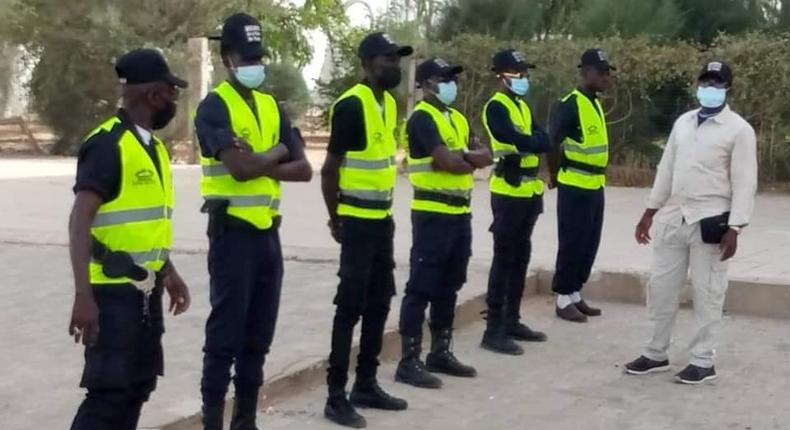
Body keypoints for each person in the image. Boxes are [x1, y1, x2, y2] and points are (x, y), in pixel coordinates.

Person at [194, 13, 312, 430]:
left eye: (259, 57)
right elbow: (239, 170)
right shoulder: (213, 108)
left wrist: (263, 158)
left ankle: (245, 420)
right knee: (224, 338)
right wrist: (280, 150)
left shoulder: (271, 105)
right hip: (231, 236)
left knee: (258, 338)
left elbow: (305, 170)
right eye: (247, 58)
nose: (256, 65)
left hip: (267, 235)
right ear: (227, 58)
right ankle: (212, 421)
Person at [68, 48, 191, 430]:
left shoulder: (153, 148)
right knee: (108, 395)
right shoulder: (107, 144)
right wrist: (83, 295)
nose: (174, 100)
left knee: (138, 386)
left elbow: (145, 224)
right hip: (111, 295)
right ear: (154, 95)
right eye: (172, 92)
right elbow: (79, 220)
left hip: (145, 290)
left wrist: (168, 271)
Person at [625, 61, 757, 385]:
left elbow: (745, 181)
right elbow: (666, 168)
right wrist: (649, 212)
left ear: (727, 88)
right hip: (674, 216)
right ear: (698, 85)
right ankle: (655, 353)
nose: (710, 88)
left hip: (711, 220)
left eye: (717, 83)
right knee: (661, 288)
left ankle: (702, 360)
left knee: (708, 292)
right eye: (706, 82)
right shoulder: (683, 123)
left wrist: (736, 227)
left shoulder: (739, 130)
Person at [320, 32, 411, 428]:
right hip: (355, 222)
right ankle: (336, 395)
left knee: (379, 301)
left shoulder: (388, 103)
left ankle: (367, 383)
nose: (395, 66)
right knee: (350, 305)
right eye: (387, 59)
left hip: (382, 221)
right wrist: (335, 217)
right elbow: (330, 169)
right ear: (367, 63)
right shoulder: (351, 105)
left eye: (397, 59)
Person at [394, 58, 492, 389]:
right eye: (445, 79)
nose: (452, 84)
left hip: (459, 213)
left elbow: (486, 154)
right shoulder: (422, 118)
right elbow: (448, 161)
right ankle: (409, 360)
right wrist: (467, 159)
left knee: (450, 284)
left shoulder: (457, 118)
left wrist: (464, 159)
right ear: (427, 85)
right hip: (432, 213)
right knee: (421, 286)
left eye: (453, 78)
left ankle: (441, 351)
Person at [479, 49, 551, 356]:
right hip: (508, 192)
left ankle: (512, 320)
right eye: (518, 74)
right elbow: (521, 140)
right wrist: (534, 140)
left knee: (521, 257)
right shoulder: (496, 107)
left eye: (525, 74)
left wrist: (534, 140)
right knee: (504, 259)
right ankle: (493, 329)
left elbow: (542, 138)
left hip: (529, 191)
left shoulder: (520, 105)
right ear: (502, 76)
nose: (524, 79)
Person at [548, 48, 614, 323]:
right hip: (574, 184)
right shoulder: (570, 103)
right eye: (600, 72)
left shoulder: (594, 102)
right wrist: (553, 175)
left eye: (608, 72)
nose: (605, 77)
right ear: (584, 72)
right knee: (572, 241)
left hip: (594, 184)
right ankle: (563, 297)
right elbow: (552, 141)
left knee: (589, 242)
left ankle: (575, 291)